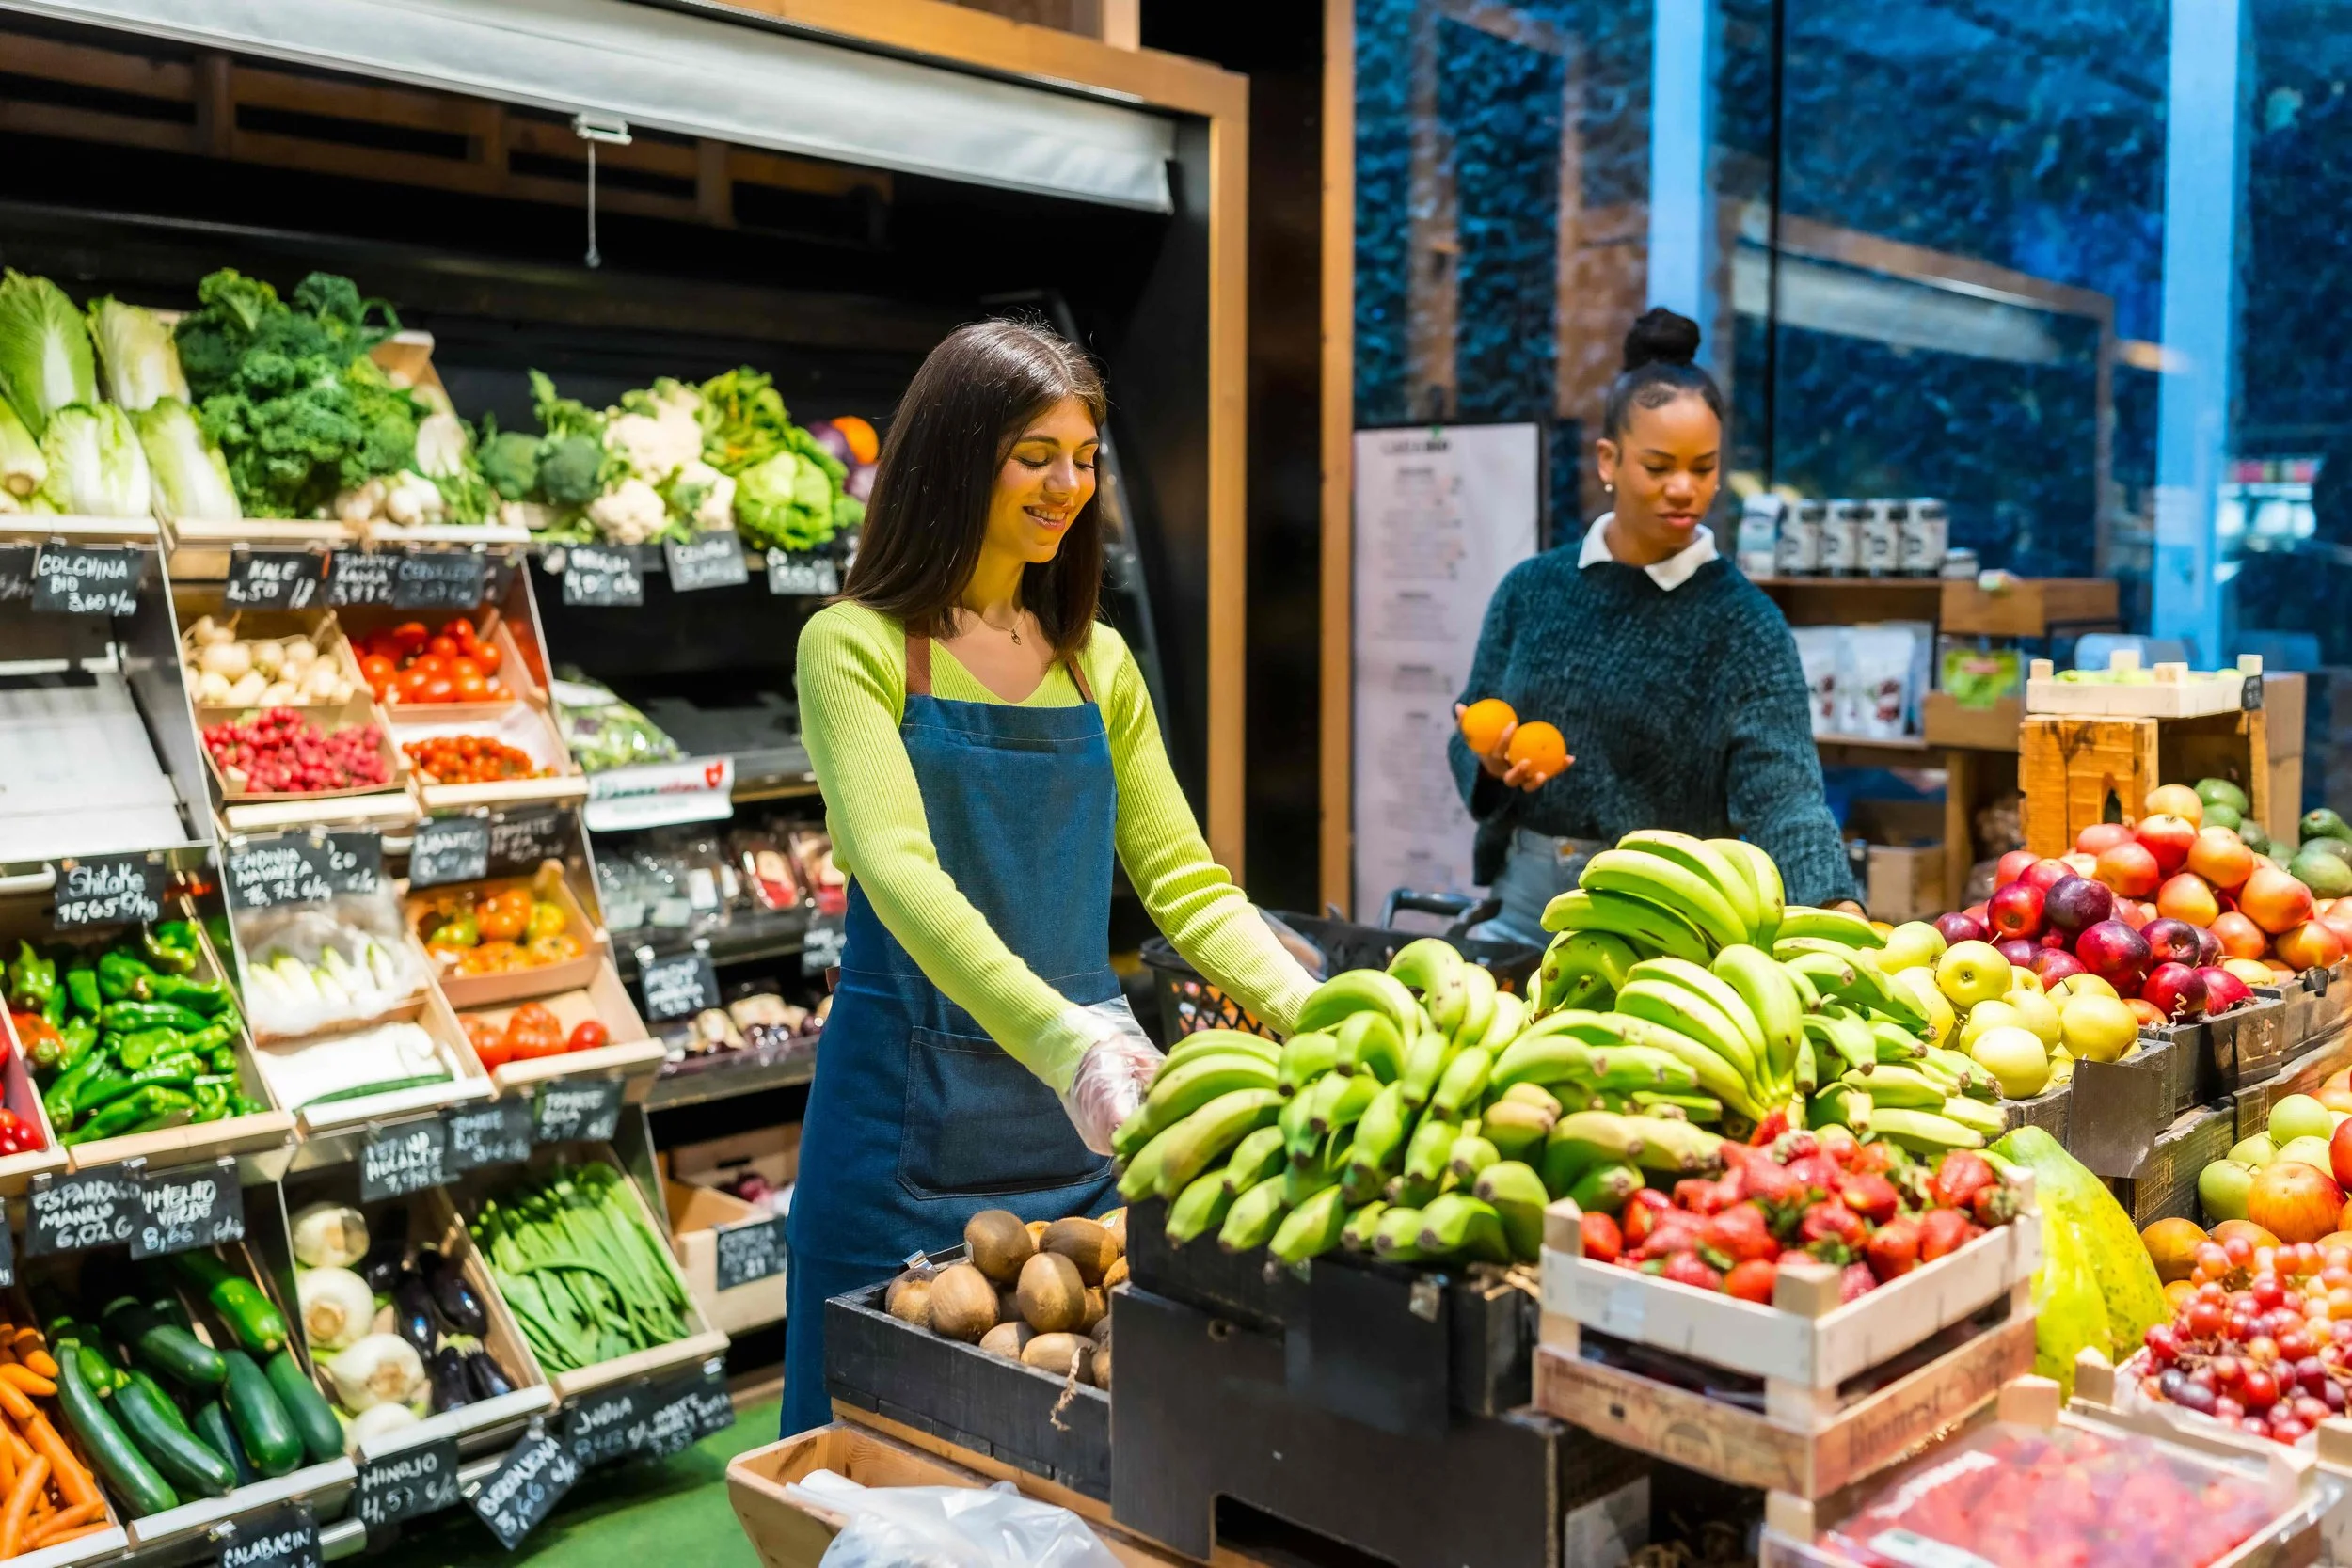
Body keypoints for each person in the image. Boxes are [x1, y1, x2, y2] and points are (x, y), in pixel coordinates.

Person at [781, 320, 1316, 1434]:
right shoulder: (855, 644)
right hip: (899, 1130)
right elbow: (896, 869)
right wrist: (1065, 1040)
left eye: (1084, 455)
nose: (1068, 484)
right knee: (874, 1455)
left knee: (1077, 1454)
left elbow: (1187, 880)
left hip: (1085, 1144)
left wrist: (1322, 1016)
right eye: (1037, 454)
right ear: (958, 453)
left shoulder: (1096, 661)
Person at [1448, 308, 1854, 949]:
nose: (1684, 490)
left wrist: (1834, 907)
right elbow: (1469, 728)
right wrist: (1492, 761)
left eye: (1704, 467)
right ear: (1608, 460)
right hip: (1522, 907)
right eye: (1659, 466)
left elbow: (1784, 795)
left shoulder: (1744, 624)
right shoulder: (1532, 590)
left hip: (1662, 921)